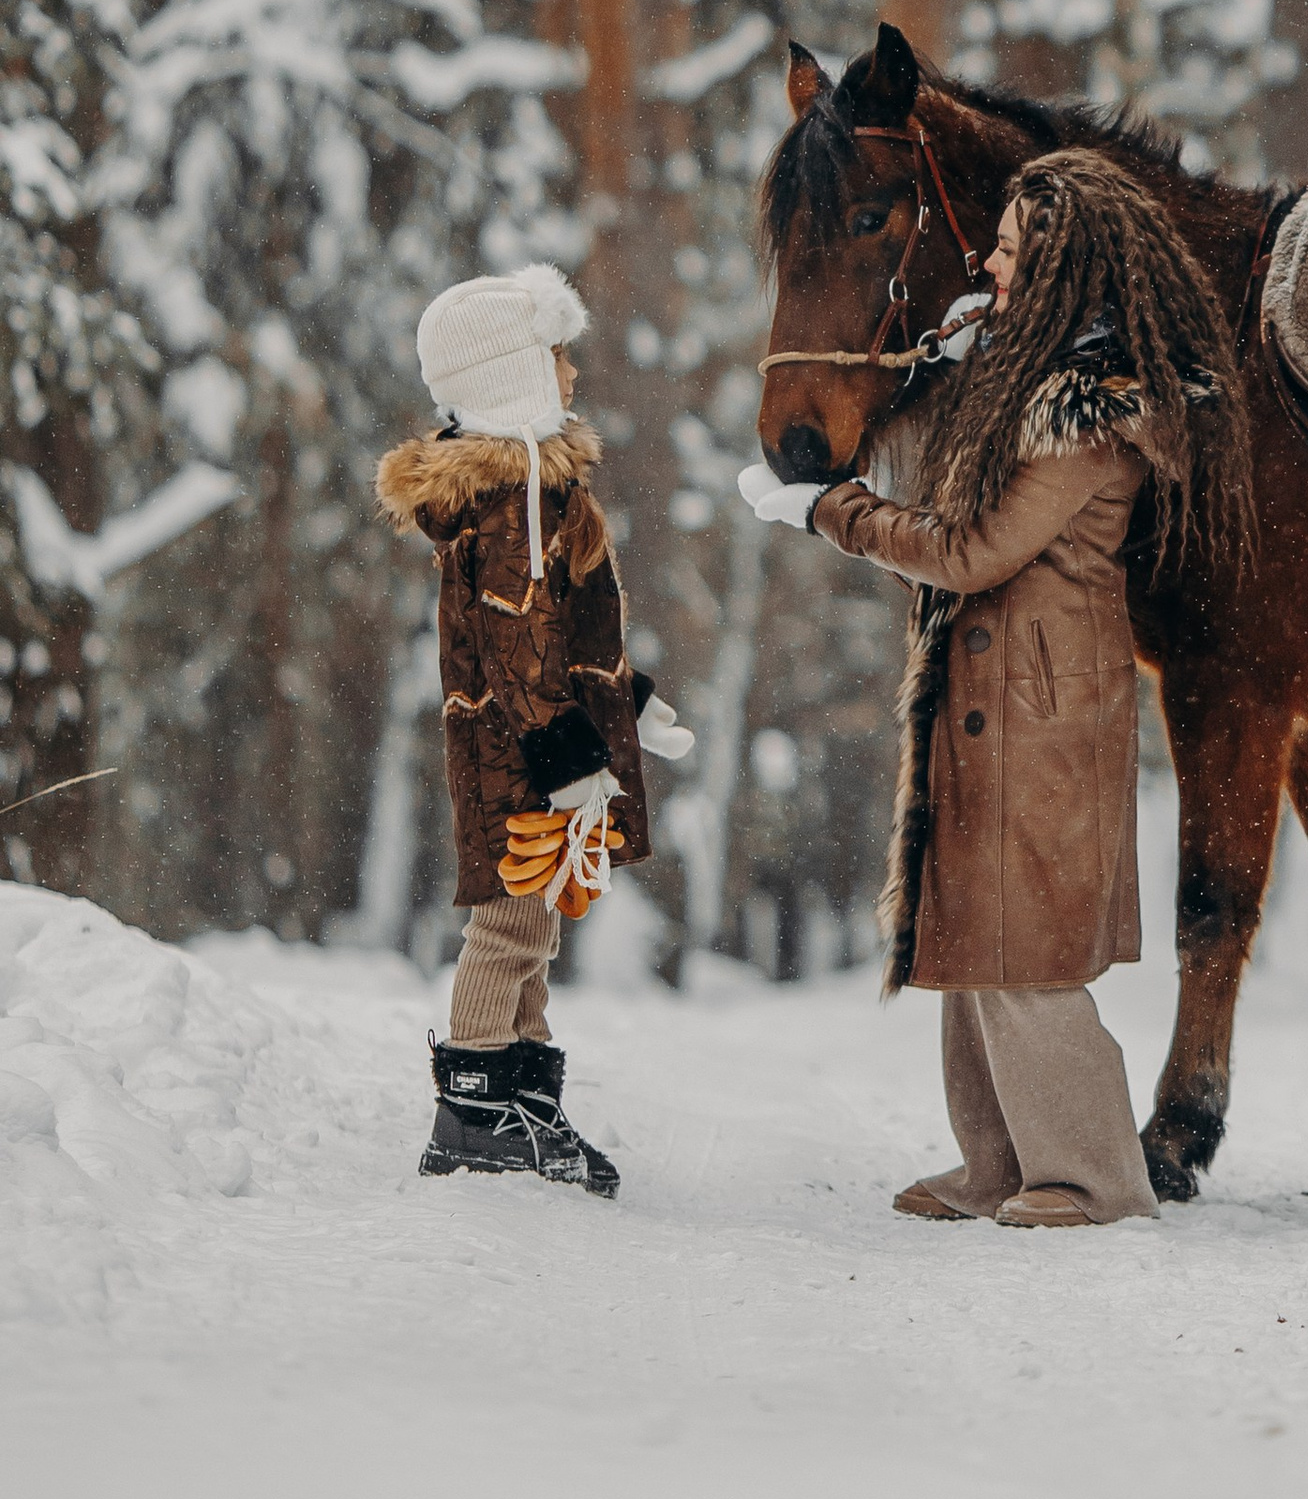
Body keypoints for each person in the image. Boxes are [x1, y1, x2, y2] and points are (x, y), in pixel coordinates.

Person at [741, 147, 1251, 1227]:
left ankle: (1095, 1179)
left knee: (1028, 955)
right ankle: (1000, 1163)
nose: (992, 262)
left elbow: (974, 549)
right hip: (991, 693)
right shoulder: (1021, 377)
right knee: (977, 938)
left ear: (1065, 267)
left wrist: (832, 512)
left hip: (1042, 704)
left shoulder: (1088, 408)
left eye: (1015, 251)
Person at [378, 263, 689, 1198]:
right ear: (509, 372)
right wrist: (564, 756)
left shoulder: (536, 493)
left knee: (536, 923)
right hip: (518, 752)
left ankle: (523, 1095)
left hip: (531, 739)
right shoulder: (511, 499)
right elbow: (516, 643)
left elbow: (558, 636)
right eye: (556, 354)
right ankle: (474, 1102)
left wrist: (626, 701)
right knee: (509, 919)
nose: (572, 373)